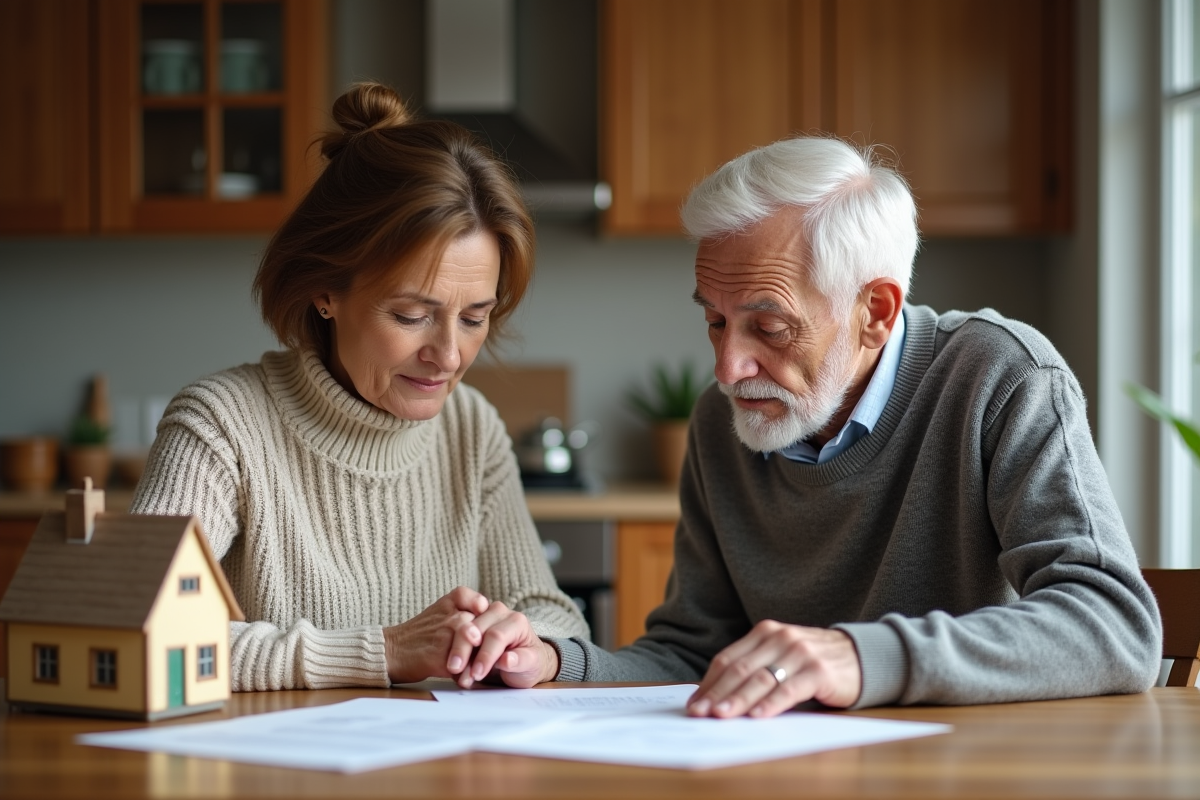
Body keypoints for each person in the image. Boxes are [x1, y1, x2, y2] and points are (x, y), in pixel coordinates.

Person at [464, 135, 1163, 714]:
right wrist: (557, 662)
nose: (728, 368)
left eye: (769, 327)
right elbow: (691, 652)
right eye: (715, 320)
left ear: (875, 312)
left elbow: (1113, 625)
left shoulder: (1001, 378)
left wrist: (859, 656)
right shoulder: (721, 424)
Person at [130, 82, 588, 692]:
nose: (450, 355)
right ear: (326, 289)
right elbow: (141, 627)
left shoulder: (470, 426)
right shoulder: (220, 426)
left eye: (475, 318)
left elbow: (554, 613)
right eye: (411, 315)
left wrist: (532, 647)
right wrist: (384, 651)